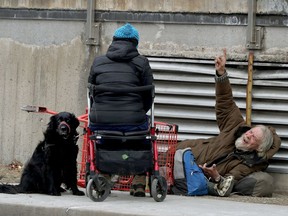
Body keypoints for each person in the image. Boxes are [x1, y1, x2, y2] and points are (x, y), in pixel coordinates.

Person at [176, 49, 281, 197]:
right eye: (250, 131)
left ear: (258, 149)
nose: (247, 135)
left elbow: (229, 181)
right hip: (184, 151)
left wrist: (216, 176)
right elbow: (225, 101)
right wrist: (221, 74)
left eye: (253, 138)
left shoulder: (247, 165)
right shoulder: (236, 127)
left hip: (192, 172)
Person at [87, 23, 153, 197]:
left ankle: (104, 174)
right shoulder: (142, 62)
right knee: (141, 132)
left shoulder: (98, 61)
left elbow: (91, 94)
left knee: (107, 132)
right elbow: (148, 95)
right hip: (134, 122)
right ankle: (139, 180)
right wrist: (138, 112)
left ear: (114, 41)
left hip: (101, 121)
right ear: (135, 43)